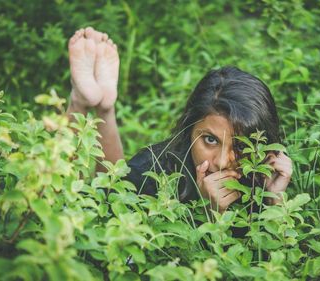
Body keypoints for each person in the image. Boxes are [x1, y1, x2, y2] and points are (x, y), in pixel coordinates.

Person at [66, 27, 292, 213]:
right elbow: (109, 211)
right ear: (189, 130)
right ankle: (81, 102)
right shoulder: (155, 171)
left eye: (241, 145)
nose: (223, 162)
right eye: (210, 140)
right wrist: (209, 213)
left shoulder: (264, 176)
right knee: (104, 199)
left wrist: (275, 200)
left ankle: (104, 108)